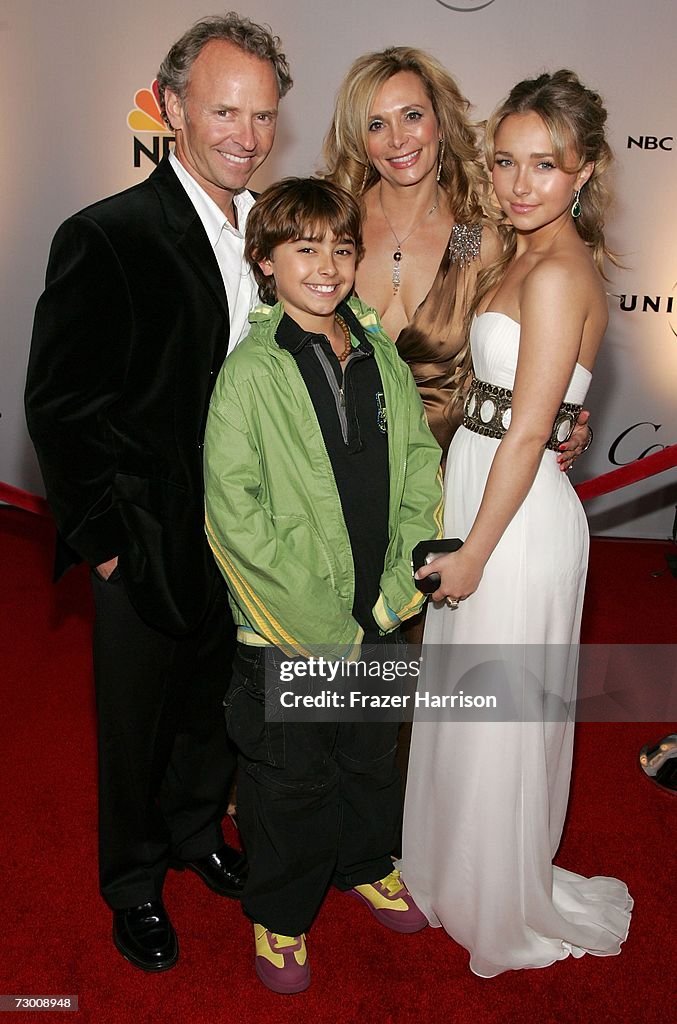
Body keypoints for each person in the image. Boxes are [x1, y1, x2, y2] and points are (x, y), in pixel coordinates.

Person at [24, 13, 292, 972]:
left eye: (262, 115)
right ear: (173, 106)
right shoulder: (107, 235)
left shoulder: (276, 235)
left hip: (249, 536)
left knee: (214, 705)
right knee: (135, 721)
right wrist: (103, 539)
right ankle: (132, 882)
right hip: (143, 533)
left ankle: (192, 833)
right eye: (224, 109)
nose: (244, 134)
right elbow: (57, 406)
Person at [400, 70, 633, 976]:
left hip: (514, 518)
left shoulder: (559, 269)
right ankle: (454, 869)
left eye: (545, 165)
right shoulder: (507, 245)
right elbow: (457, 253)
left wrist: (470, 553)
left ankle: (497, 895)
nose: (518, 183)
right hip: (486, 481)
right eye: (504, 162)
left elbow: (533, 427)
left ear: (584, 172)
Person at [203, 177, 443, 993]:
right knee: (289, 779)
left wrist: (392, 595)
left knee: (371, 758)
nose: (327, 264)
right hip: (288, 630)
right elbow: (236, 519)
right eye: (303, 247)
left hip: (377, 611)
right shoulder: (247, 376)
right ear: (265, 262)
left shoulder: (380, 355)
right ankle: (278, 912)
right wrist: (325, 631)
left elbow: (418, 468)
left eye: (342, 247)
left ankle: (366, 861)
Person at [322, 46, 591, 469]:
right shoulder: (334, 227)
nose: (398, 139)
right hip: (334, 472)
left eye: (412, 115)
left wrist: (567, 423)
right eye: (377, 124)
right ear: (360, 138)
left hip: (441, 484)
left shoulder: (472, 239)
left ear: (440, 123)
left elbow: (521, 365)